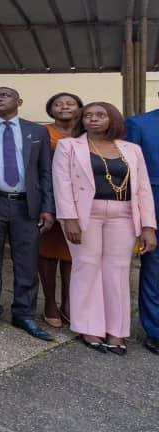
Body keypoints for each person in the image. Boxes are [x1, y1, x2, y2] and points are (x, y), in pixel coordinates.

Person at [55, 102, 157, 354]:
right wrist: (69, 218)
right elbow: (62, 183)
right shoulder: (69, 146)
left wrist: (148, 226)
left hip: (124, 216)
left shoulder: (131, 149)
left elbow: (143, 189)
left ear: (113, 119)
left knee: (118, 271)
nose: (93, 119)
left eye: (100, 115)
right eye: (88, 115)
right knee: (87, 266)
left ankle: (116, 331)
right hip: (85, 215)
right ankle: (88, 327)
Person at [0, 87, 55, 341]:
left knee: (27, 262)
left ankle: (24, 313)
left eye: (4, 95)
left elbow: (45, 171)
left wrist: (48, 207)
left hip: (27, 206)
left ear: (19, 101)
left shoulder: (37, 131)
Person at [38, 92, 82, 328]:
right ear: (50, 109)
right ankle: (50, 303)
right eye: (58, 103)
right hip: (48, 198)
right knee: (46, 252)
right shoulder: (41, 132)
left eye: (70, 103)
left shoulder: (87, 132)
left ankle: (68, 302)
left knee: (72, 254)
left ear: (79, 108)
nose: (64, 106)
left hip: (80, 202)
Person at [126, 95, 159, 355]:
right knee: (154, 268)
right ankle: (155, 330)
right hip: (153, 201)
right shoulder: (138, 123)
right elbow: (131, 171)